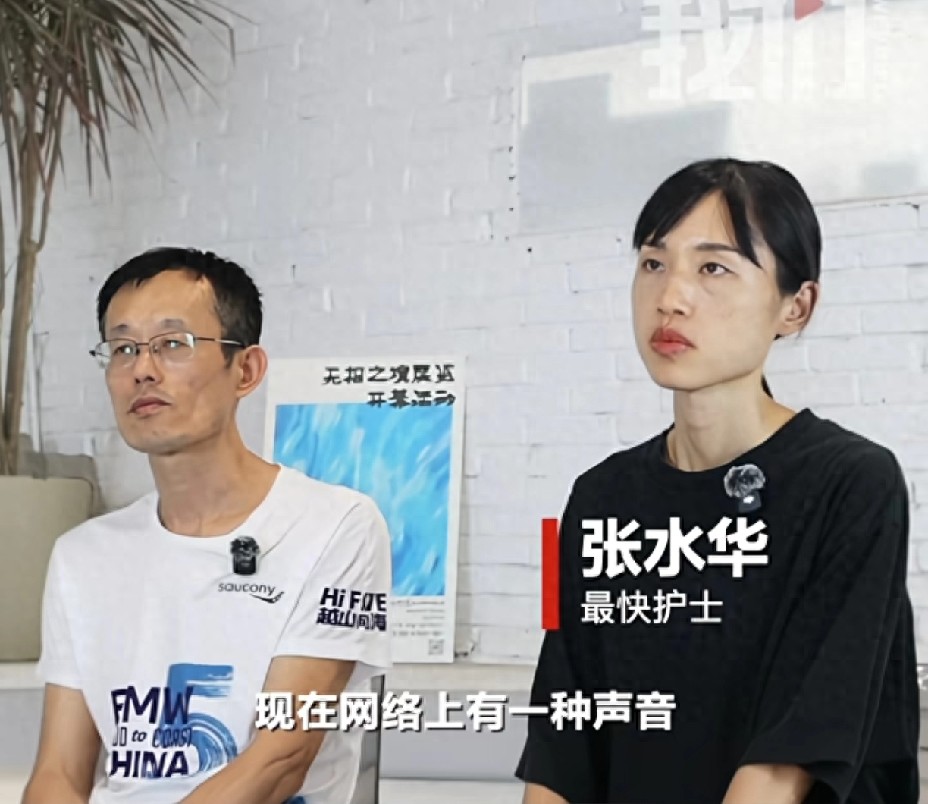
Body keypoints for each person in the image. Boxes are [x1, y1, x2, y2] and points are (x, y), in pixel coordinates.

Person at [516, 158, 920, 804]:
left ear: (796, 306)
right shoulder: (593, 499)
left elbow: (787, 763)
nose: (670, 298)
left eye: (713, 268)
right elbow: (559, 743)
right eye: (654, 263)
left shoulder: (856, 485)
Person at [22, 248, 393, 804]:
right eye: (123, 348)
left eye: (173, 344)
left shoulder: (336, 526)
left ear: (246, 370)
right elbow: (59, 772)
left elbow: (280, 759)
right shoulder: (83, 554)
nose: (142, 369)